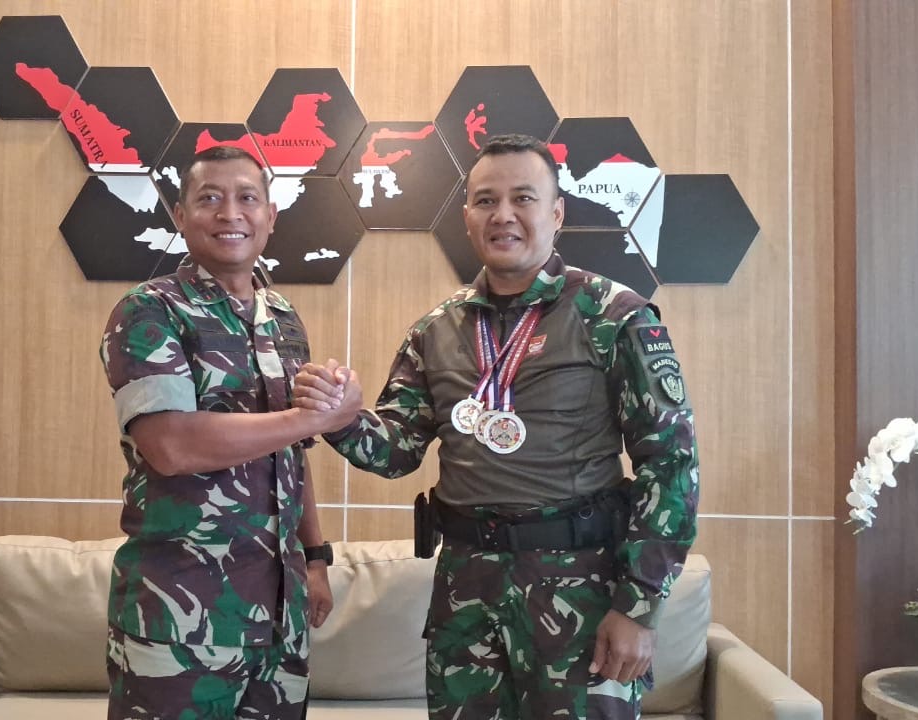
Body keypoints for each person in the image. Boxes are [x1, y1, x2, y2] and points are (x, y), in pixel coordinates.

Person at [292, 134, 699, 720]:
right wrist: (339, 416)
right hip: (466, 592)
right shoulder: (436, 331)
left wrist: (637, 607)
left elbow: (672, 465)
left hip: (581, 590)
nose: (503, 214)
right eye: (486, 200)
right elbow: (397, 451)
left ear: (557, 213)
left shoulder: (613, 315)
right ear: (466, 217)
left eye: (523, 198)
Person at [99, 145, 358, 720]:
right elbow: (170, 445)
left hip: (281, 616)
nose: (230, 213)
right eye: (209, 198)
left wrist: (315, 559)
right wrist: (311, 417)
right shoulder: (150, 311)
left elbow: (293, 454)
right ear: (180, 215)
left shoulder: (283, 317)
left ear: (271, 215)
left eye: (247, 198)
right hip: (180, 617)